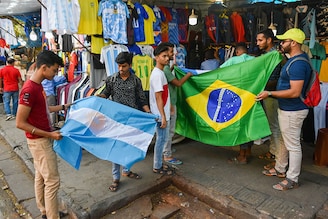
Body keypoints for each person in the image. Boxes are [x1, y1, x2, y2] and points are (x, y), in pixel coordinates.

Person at [16, 50, 70, 219]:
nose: (55, 74)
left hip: (39, 140)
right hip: (40, 141)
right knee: (52, 181)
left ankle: (45, 210)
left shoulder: (37, 86)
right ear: (44, 68)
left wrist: (63, 107)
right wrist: (50, 135)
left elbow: (44, 110)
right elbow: (20, 123)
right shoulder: (30, 89)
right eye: (54, 70)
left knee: (40, 176)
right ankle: (53, 215)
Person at [258, 28, 311, 190]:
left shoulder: (298, 64)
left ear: (294, 43)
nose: (281, 44)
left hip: (293, 110)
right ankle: (280, 168)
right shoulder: (293, 60)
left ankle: (292, 178)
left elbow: (295, 91)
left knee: (293, 145)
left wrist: (270, 93)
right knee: (284, 140)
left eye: (284, 41)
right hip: (287, 108)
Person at [98, 52, 150, 192]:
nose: (121, 69)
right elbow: (106, 93)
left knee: (129, 146)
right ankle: (116, 178)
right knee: (116, 148)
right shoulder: (111, 79)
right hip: (116, 120)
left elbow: (141, 99)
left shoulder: (136, 81)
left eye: (124, 66)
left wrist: (149, 113)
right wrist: (100, 97)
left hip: (131, 120)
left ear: (130, 65)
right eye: (119, 66)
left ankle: (126, 170)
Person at [221, 43, 255, 164]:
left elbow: (220, 72)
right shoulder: (255, 60)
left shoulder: (233, 61)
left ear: (237, 52)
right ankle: (249, 151)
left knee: (241, 125)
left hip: (238, 97)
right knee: (249, 124)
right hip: (252, 97)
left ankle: (242, 156)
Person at [160, 42, 193, 165]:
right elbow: (178, 83)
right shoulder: (165, 69)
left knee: (167, 130)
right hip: (169, 104)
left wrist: (173, 67)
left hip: (168, 102)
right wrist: (188, 75)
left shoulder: (165, 68)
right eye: (169, 52)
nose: (172, 54)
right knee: (170, 131)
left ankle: (165, 150)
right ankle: (167, 155)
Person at [256, 29, 282, 169]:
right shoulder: (267, 55)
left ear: (269, 40)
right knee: (272, 126)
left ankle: (279, 160)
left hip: (272, 95)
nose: (257, 43)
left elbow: (274, 80)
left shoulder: (274, 56)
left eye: (260, 40)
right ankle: (273, 152)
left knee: (275, 127)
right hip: (267, 94)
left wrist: (257, 84)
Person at [149, 44, 173, 175]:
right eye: (163, 56)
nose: (166, 58)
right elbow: (159, 97)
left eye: (167, 56)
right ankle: (157, 166)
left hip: (161, 112)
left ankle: (158, 164)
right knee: (161, 140)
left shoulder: (160, 73)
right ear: (156, 58)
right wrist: (163, 116)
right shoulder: (158, 75)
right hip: (160, 114)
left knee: (162, 139)